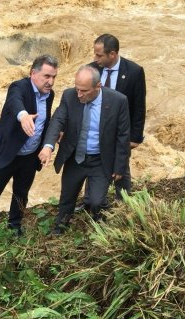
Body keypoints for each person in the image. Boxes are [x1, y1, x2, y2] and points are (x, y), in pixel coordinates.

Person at [0, 55, 58, 249]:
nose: (50, 82)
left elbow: (47, 120)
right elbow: (15, 102)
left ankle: (14, 225)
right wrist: (23, 115)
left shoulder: (49, 95)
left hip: (29, 156)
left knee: (21, 193)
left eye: (53, 77)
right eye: (46, 76)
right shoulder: (19, 87)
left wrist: (48, 144)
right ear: (33, 73)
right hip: (8, 152)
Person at [38, 65, 130, 233]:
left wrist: (119, 167)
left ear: (98, 86)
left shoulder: (118, 101)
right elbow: (57, 120)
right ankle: (61, 224)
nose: (79, 94)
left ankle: (99, 224)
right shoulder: (69, 95)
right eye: (77, 89)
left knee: (96, 201)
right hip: (76, 158)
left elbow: (123, 137)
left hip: (100, 161)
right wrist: (48, 146)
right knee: (67, 196)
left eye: (84, 91)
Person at [76, 33, 146, 211]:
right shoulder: (91, 70)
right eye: (95, 54)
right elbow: (80, 99)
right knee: (93, 164)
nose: (95, 58)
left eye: (99, 55)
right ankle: (90, 202)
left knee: (121, 167)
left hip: (120, 131)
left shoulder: (134, 72)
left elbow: (139, 106)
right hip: (94, 130)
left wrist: (135, 137)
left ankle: (124, 206)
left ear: (112, 54)